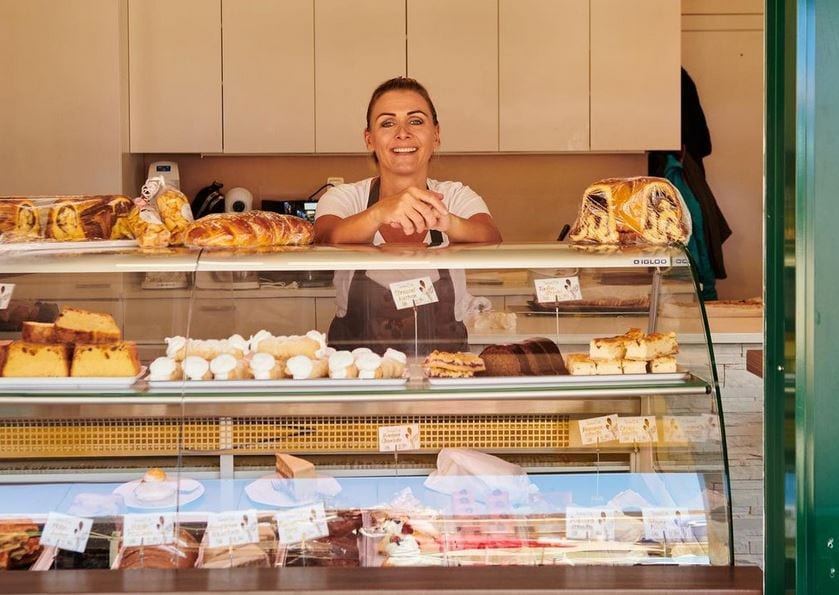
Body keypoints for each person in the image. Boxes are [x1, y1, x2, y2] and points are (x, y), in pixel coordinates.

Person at [314, 77, 501, 355]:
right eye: (387, 123)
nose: (403, 133)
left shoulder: (455, 195)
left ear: (436, 134)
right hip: (359, 379)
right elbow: (325, 237)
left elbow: (491, 238)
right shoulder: (344, 197)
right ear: (369, 139)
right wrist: (380, 211)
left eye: (416, 121)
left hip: (445, 376)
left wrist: (448, 222)